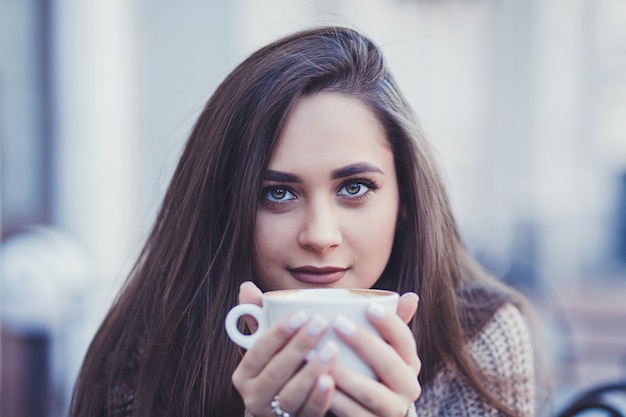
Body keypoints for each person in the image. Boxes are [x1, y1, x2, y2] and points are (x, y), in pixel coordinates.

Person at [69, 26, 537, 417]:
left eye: (354, 188)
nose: (319, 236)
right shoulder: (152, 351)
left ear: (407, 199)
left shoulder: (476, 341)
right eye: (277, 193)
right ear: (226, 208)